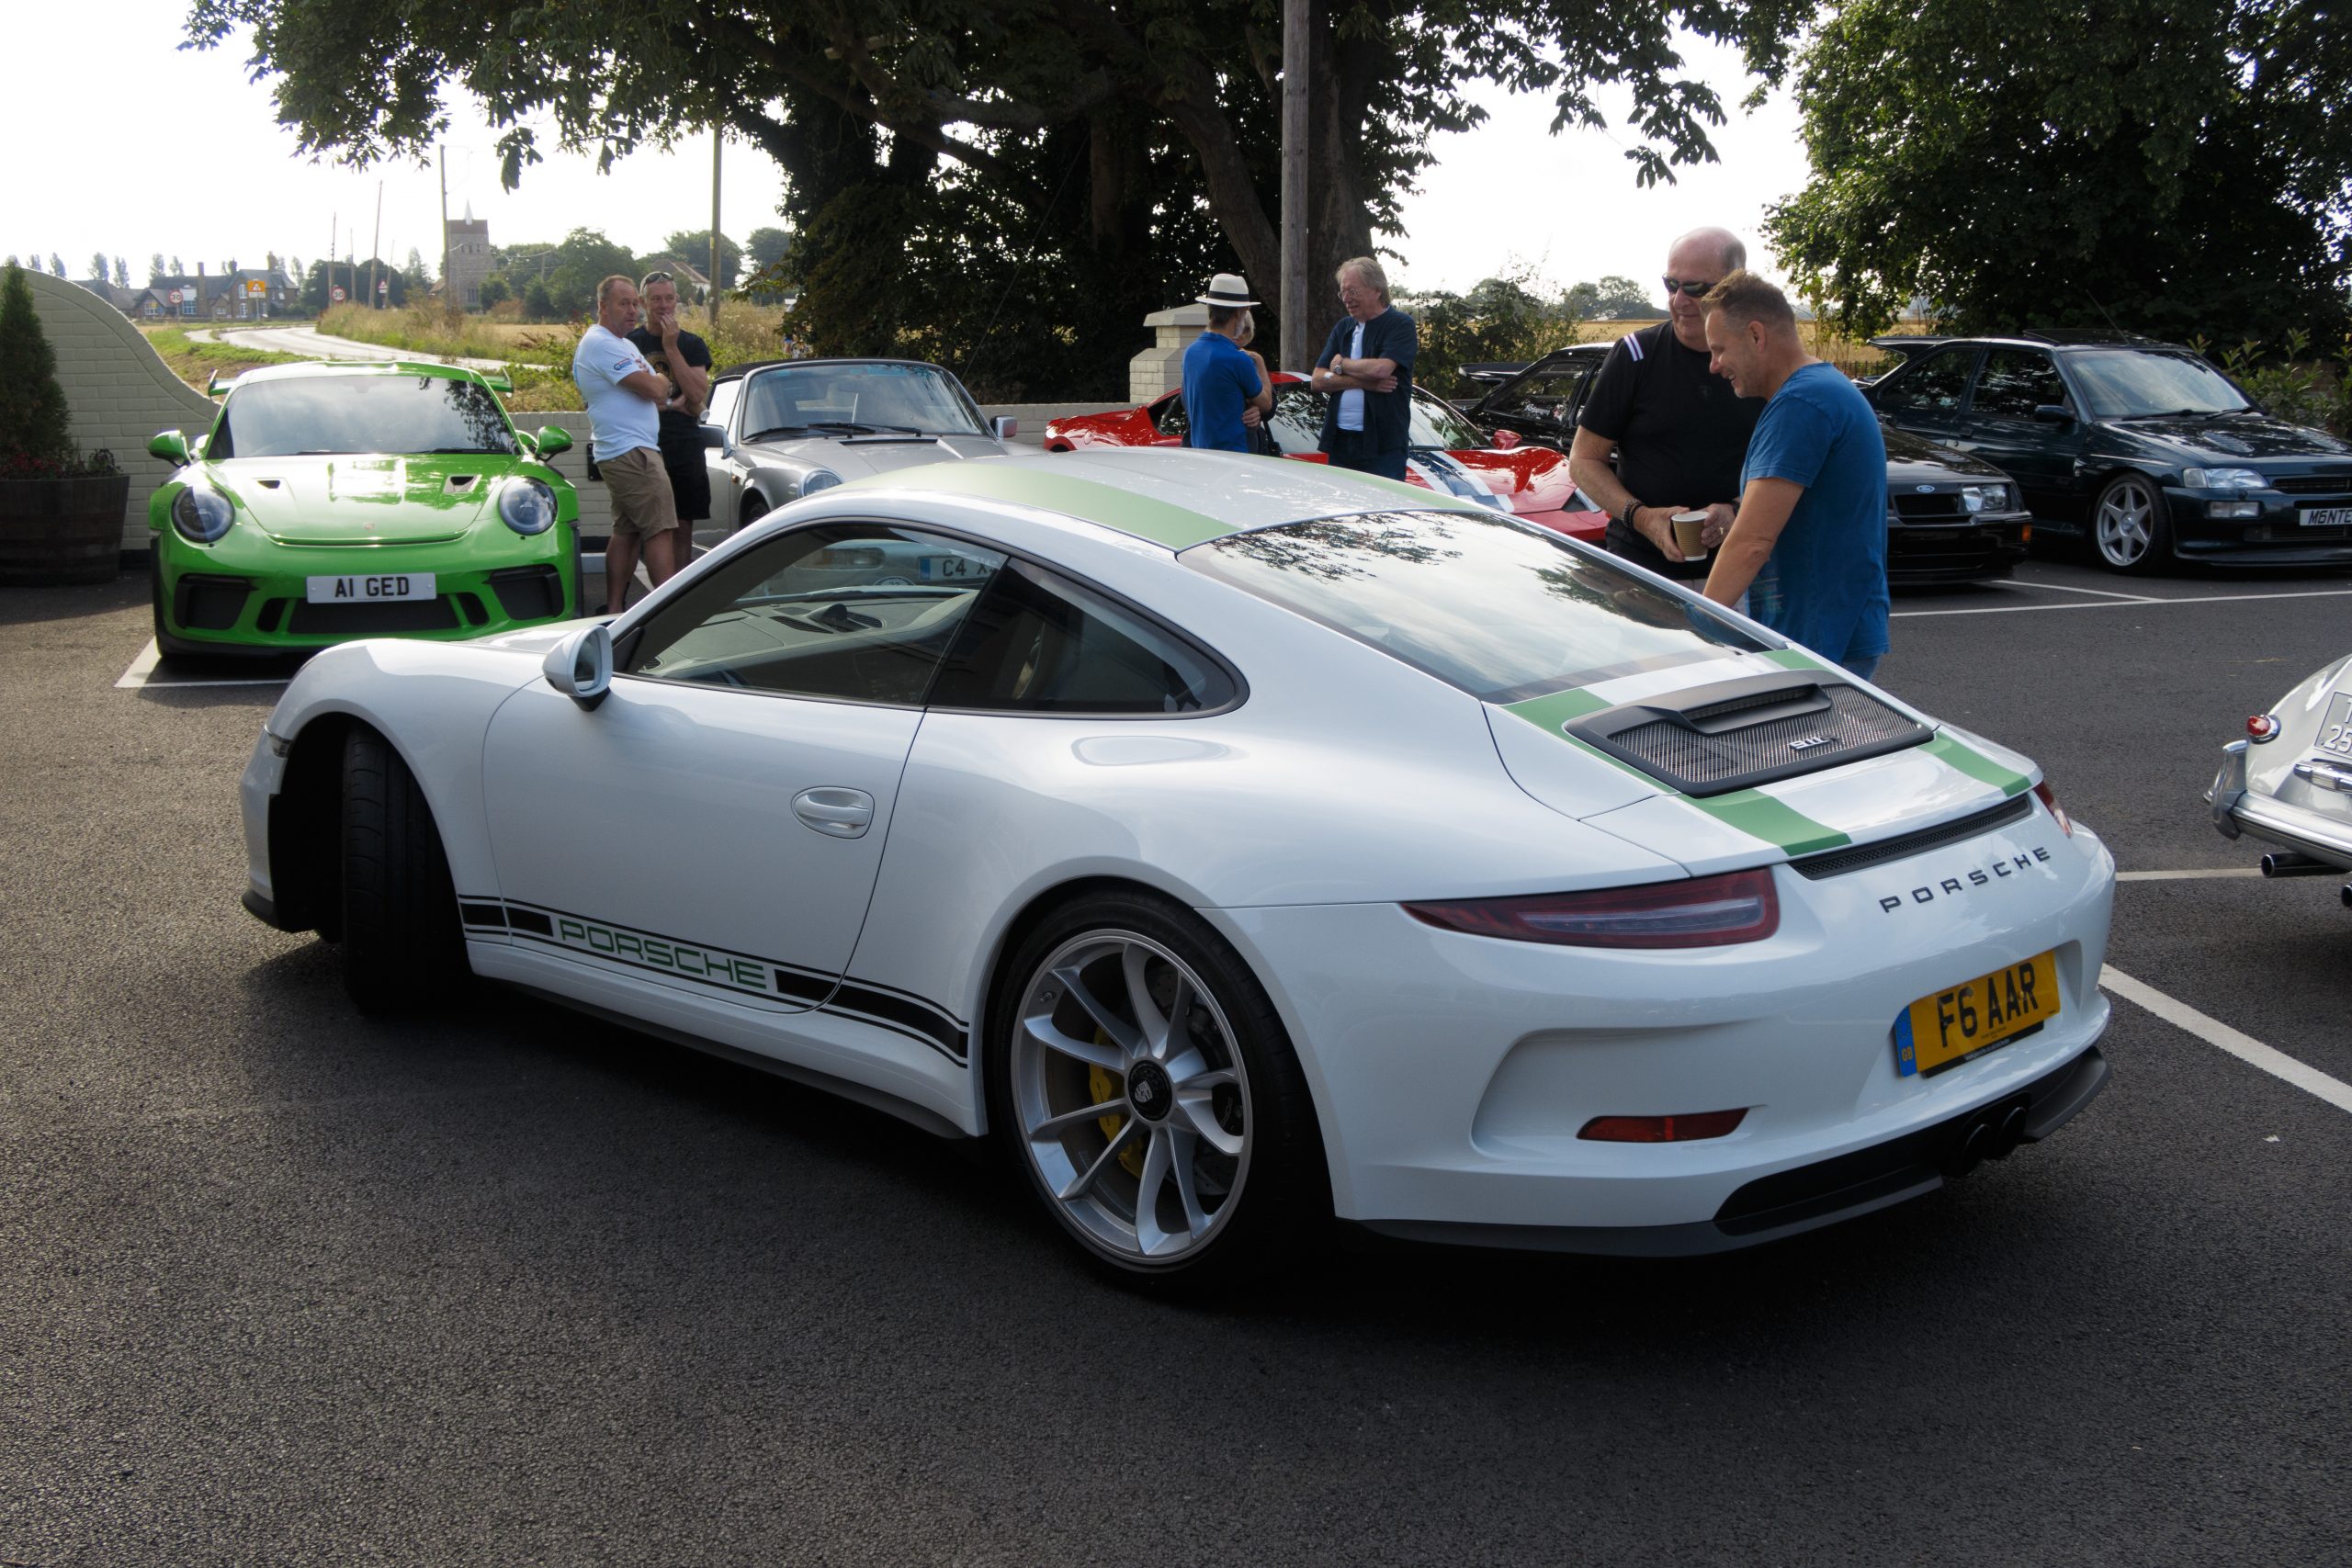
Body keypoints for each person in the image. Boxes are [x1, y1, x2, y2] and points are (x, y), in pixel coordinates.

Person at [1699, 270, 1891, 681]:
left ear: (1756, 335)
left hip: (1817, 639)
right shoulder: (1822, 389)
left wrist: (1696, 628)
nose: (1714, 366)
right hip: (1831, 630)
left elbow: (1752, 544)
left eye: (1719, 350)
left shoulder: (1802, 402)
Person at [1567, 226, 1761, 583]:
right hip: (1640, 570)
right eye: (1671, 284)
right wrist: (1642, 518)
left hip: (1742, 573)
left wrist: (1736, 510)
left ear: (1736, 287)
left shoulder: (1762, 360)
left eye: (1696, 289)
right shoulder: (1635, 355)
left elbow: (1792, 469)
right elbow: (1583, 460)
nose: (1678, 300)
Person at [571, 274, 680, 614]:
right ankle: (668, 613)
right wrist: (659, 380)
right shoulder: (599, 343)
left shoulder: (626, 344)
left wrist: (658, 383)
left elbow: (662, 392)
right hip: (632, 453)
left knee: (627, 532)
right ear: (603, 307)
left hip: (628, 450)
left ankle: (616, 610)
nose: (634, 310)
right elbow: (657, 389)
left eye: (635, 302)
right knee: (661, 530)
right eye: (624, 303)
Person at [626, 270, 714, 565]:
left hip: (683, 446)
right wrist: (668, 403)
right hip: (643, 446)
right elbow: (627, 397)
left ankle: (679, 592)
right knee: (642, 528)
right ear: (642, 302)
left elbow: (697, 394)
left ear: (676, 301)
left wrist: (671, 347)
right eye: (655, 299)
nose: (663, 305)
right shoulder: (629, 343)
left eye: (668, 298)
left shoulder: (691, 344)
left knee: (681, 525)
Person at [1310, 257, 1417, 479]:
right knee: (1341, 511)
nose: (1347, 299)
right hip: (1341, 440)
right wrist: (1363, 382)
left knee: (1382, 511)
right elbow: (1318, 380)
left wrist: (1341, 364)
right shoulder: (1343, 327)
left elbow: (1381, 370)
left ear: (1377, 290)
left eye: (1353, 291)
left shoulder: (1399, 324)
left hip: (1382, 443)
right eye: (1343, 293)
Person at [1179, 273, 1273, 454]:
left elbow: (1189, 400)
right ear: (1238, 313)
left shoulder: (1190, 353)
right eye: (1245, 311)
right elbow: (1266, 403)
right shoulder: (1238, 359)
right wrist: (1260, 362)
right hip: (1236, 458)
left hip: (1201, 455)